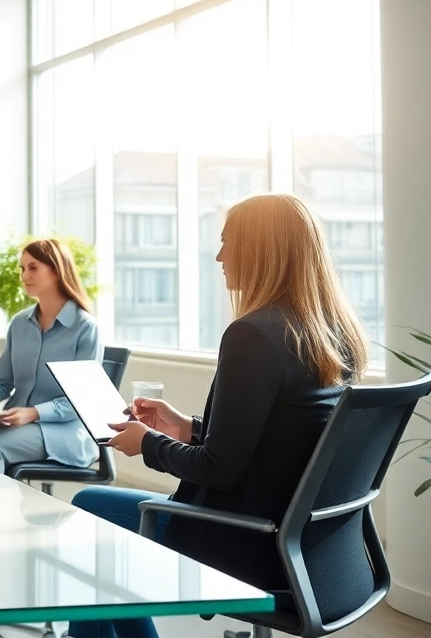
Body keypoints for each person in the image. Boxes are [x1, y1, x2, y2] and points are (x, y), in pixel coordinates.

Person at [67, 193, 369, 638]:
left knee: (88, 509)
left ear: (260, 250)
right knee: (108, 553)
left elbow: (220, 470)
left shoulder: (253, 335)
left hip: (245, 539)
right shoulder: (330, 332)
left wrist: (146, 443)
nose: (219, 255)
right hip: (312, 549)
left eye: (228, 242)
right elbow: (279, 441)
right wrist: (185, 427)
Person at [0, 238, 100, 473]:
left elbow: (81, 402)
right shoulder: (20, 323)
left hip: (66, 430)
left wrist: (33, 413)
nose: (24, 275)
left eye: (33, 267)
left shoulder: (85, 328)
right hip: (17, 422)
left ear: (56, 270)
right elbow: (2, 383)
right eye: (23, 268)